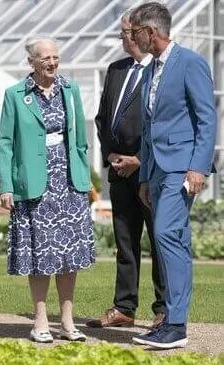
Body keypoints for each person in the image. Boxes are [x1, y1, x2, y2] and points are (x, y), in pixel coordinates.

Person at [130, 2, 217, 349]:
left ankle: (176, 324)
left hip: (183, 167)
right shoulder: (153, 68)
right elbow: (151, 125)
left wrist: (199, 166)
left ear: (151, 32)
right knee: (172, 240)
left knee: (167, 234)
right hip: (158, 170)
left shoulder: (191, 63)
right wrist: (145, 178)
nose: (132, 38)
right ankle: (171, 320)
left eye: (135, 32)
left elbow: (207, 118)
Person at [0, 37, 95, 343]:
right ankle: (39, 320)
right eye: (45, 59)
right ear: (31, 63)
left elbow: (79, 138)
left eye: (55, 57)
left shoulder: (71, 89)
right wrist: (6, 185)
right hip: (34, 185)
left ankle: (67, 321)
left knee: (69, 255)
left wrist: (84, 175)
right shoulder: (15, 95)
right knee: (40, 254)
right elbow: (5, 143)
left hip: (68, 183)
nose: (52, 63)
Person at [87, 10, 165, 330]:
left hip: (151, 172)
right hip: (120, 173)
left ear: (139, 33)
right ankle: (124, 307)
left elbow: (165, 126)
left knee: (160, 242)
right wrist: (112, 155)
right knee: (125, 243)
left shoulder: (162, 72)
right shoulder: (116, 69)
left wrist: (140, 162)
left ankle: (163, 310)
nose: (122, 37)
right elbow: (104, 118)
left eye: (125, 32)